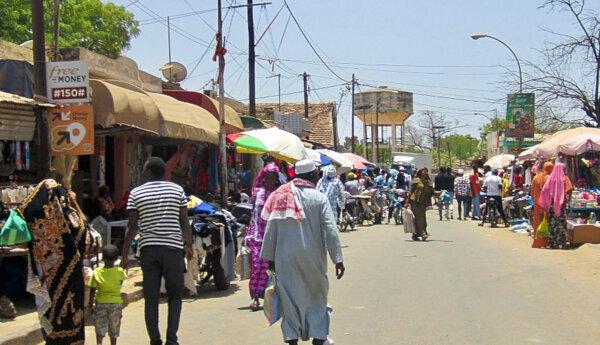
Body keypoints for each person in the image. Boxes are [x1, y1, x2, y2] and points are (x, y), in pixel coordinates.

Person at [260, 159, 345, 345]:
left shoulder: (279, 196)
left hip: (285, 259)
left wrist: (270, 259)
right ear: (311, 176)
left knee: (289, 300)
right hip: (313, 258)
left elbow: (270, 229)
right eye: (315, 174)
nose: (317, 177)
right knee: (317, 297)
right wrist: (337, 259)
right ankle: (319, 337)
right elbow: (330, 229)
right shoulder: (319, 198)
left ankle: (292, 339)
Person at [121, 157, 194, 345]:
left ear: (149, 171)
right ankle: (171, 339)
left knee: (151, 297)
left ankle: (155, 340)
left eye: (144, 169)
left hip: (149, 250)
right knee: (175, 295)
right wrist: (189, 246)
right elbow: (184, 221)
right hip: (173, 249)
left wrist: (124, 255)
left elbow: (131, 226)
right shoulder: (177, 190)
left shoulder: (136, 193)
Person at [20, 180, 91, 344]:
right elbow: (87, 237)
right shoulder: (73, 218)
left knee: (53, 320)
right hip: (73, 280)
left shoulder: (39, 223)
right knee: (73, 321)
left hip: (49, 281)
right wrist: (75, 203)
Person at [246, 163, 281, 311]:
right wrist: (249, 232)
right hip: (257, 236)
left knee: (272, 267)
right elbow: (253, 213)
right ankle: (255, 297)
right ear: (264, 177)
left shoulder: (280, 193)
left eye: (273, 177)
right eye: (267, 176)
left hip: (275, 235)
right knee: (257, 266)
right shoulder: (257, 192)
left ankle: (272, 297)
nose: (270, 179)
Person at [89, 244, 128, 345]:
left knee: (99, 328)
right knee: (114, 328)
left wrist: (90, 304)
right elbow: (120, 284)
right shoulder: (120, 271)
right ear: (116, 259)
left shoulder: (97, 272)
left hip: (101, 303)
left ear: (102, 259)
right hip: (116, 304)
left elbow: (92, 290)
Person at [538, 162, 573, 249]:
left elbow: (544, 190)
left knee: (552, 223)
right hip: (561, 204)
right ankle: (561, 243)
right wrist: (567, 199)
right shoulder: (564, 178)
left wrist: (547, 202)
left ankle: (553, 243)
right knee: (561, 223)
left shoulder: (550, 179)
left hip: (551, 205)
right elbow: (570, 189)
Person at [407, 167, 437, 241]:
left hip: (423, 203)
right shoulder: (416, 180)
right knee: (419, 218)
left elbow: (432, 192)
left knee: (422, 219)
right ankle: (423, 233)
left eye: (426, 171)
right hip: (415, 201)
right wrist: (407, 202)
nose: (425, 173)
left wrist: (440, 192)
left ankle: (415, 234)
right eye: (424, 171)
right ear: (420, 172)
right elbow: (411, 191)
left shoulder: (428, 182)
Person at [531, 162, 554, 234]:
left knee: (537, 218)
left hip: (537, 202)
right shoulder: (549, 178)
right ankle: (545, 237)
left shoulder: (536, 177)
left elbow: (532, 192)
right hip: (546, 203)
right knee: (546, 219)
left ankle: (537, 235)